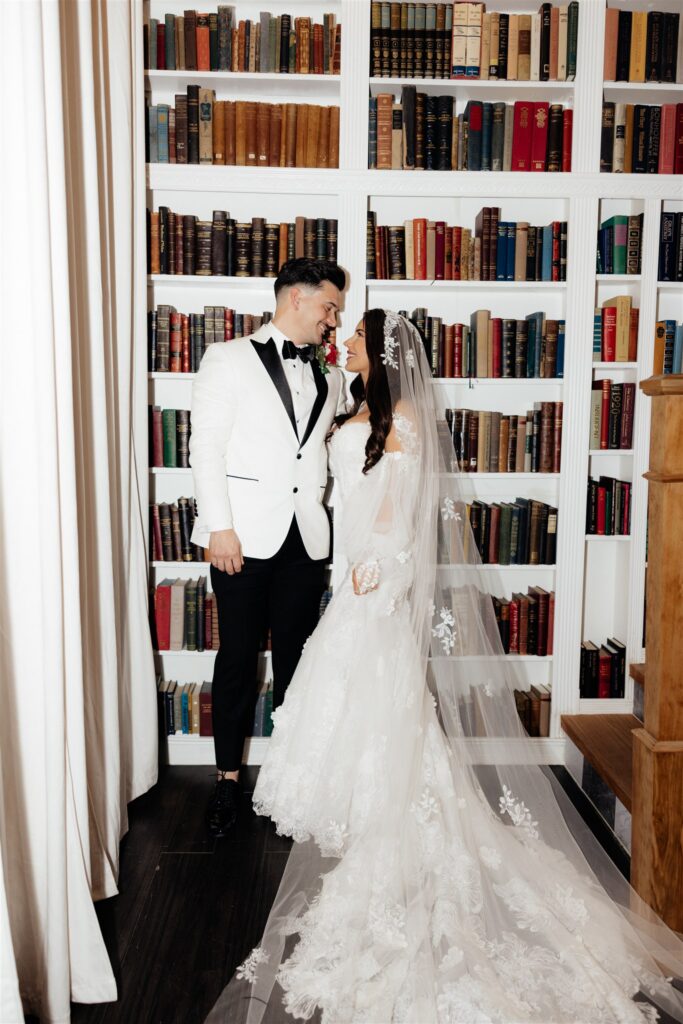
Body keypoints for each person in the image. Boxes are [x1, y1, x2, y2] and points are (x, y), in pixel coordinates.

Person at [206, 309, 683, 1024]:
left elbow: (403, 507)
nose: (343, 339)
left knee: (374, 688)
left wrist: (379, 567)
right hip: (342, 565)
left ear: (383, 351)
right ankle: (361, 805)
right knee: (350, 691)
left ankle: (387, 813)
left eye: (356, 336)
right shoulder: (349, 398)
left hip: (373, 574)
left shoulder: (398, 415)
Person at [189, 258, 348, 837]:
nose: (334, 320)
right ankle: (227, 783)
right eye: (329, 306)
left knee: (297, 669)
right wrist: (219, 527)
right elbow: (205, 449)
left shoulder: (330, 377)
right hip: (242, 540)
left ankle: (291, 781)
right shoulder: (226, 359)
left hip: (305, 541)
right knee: (235, 662)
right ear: (296, 300)